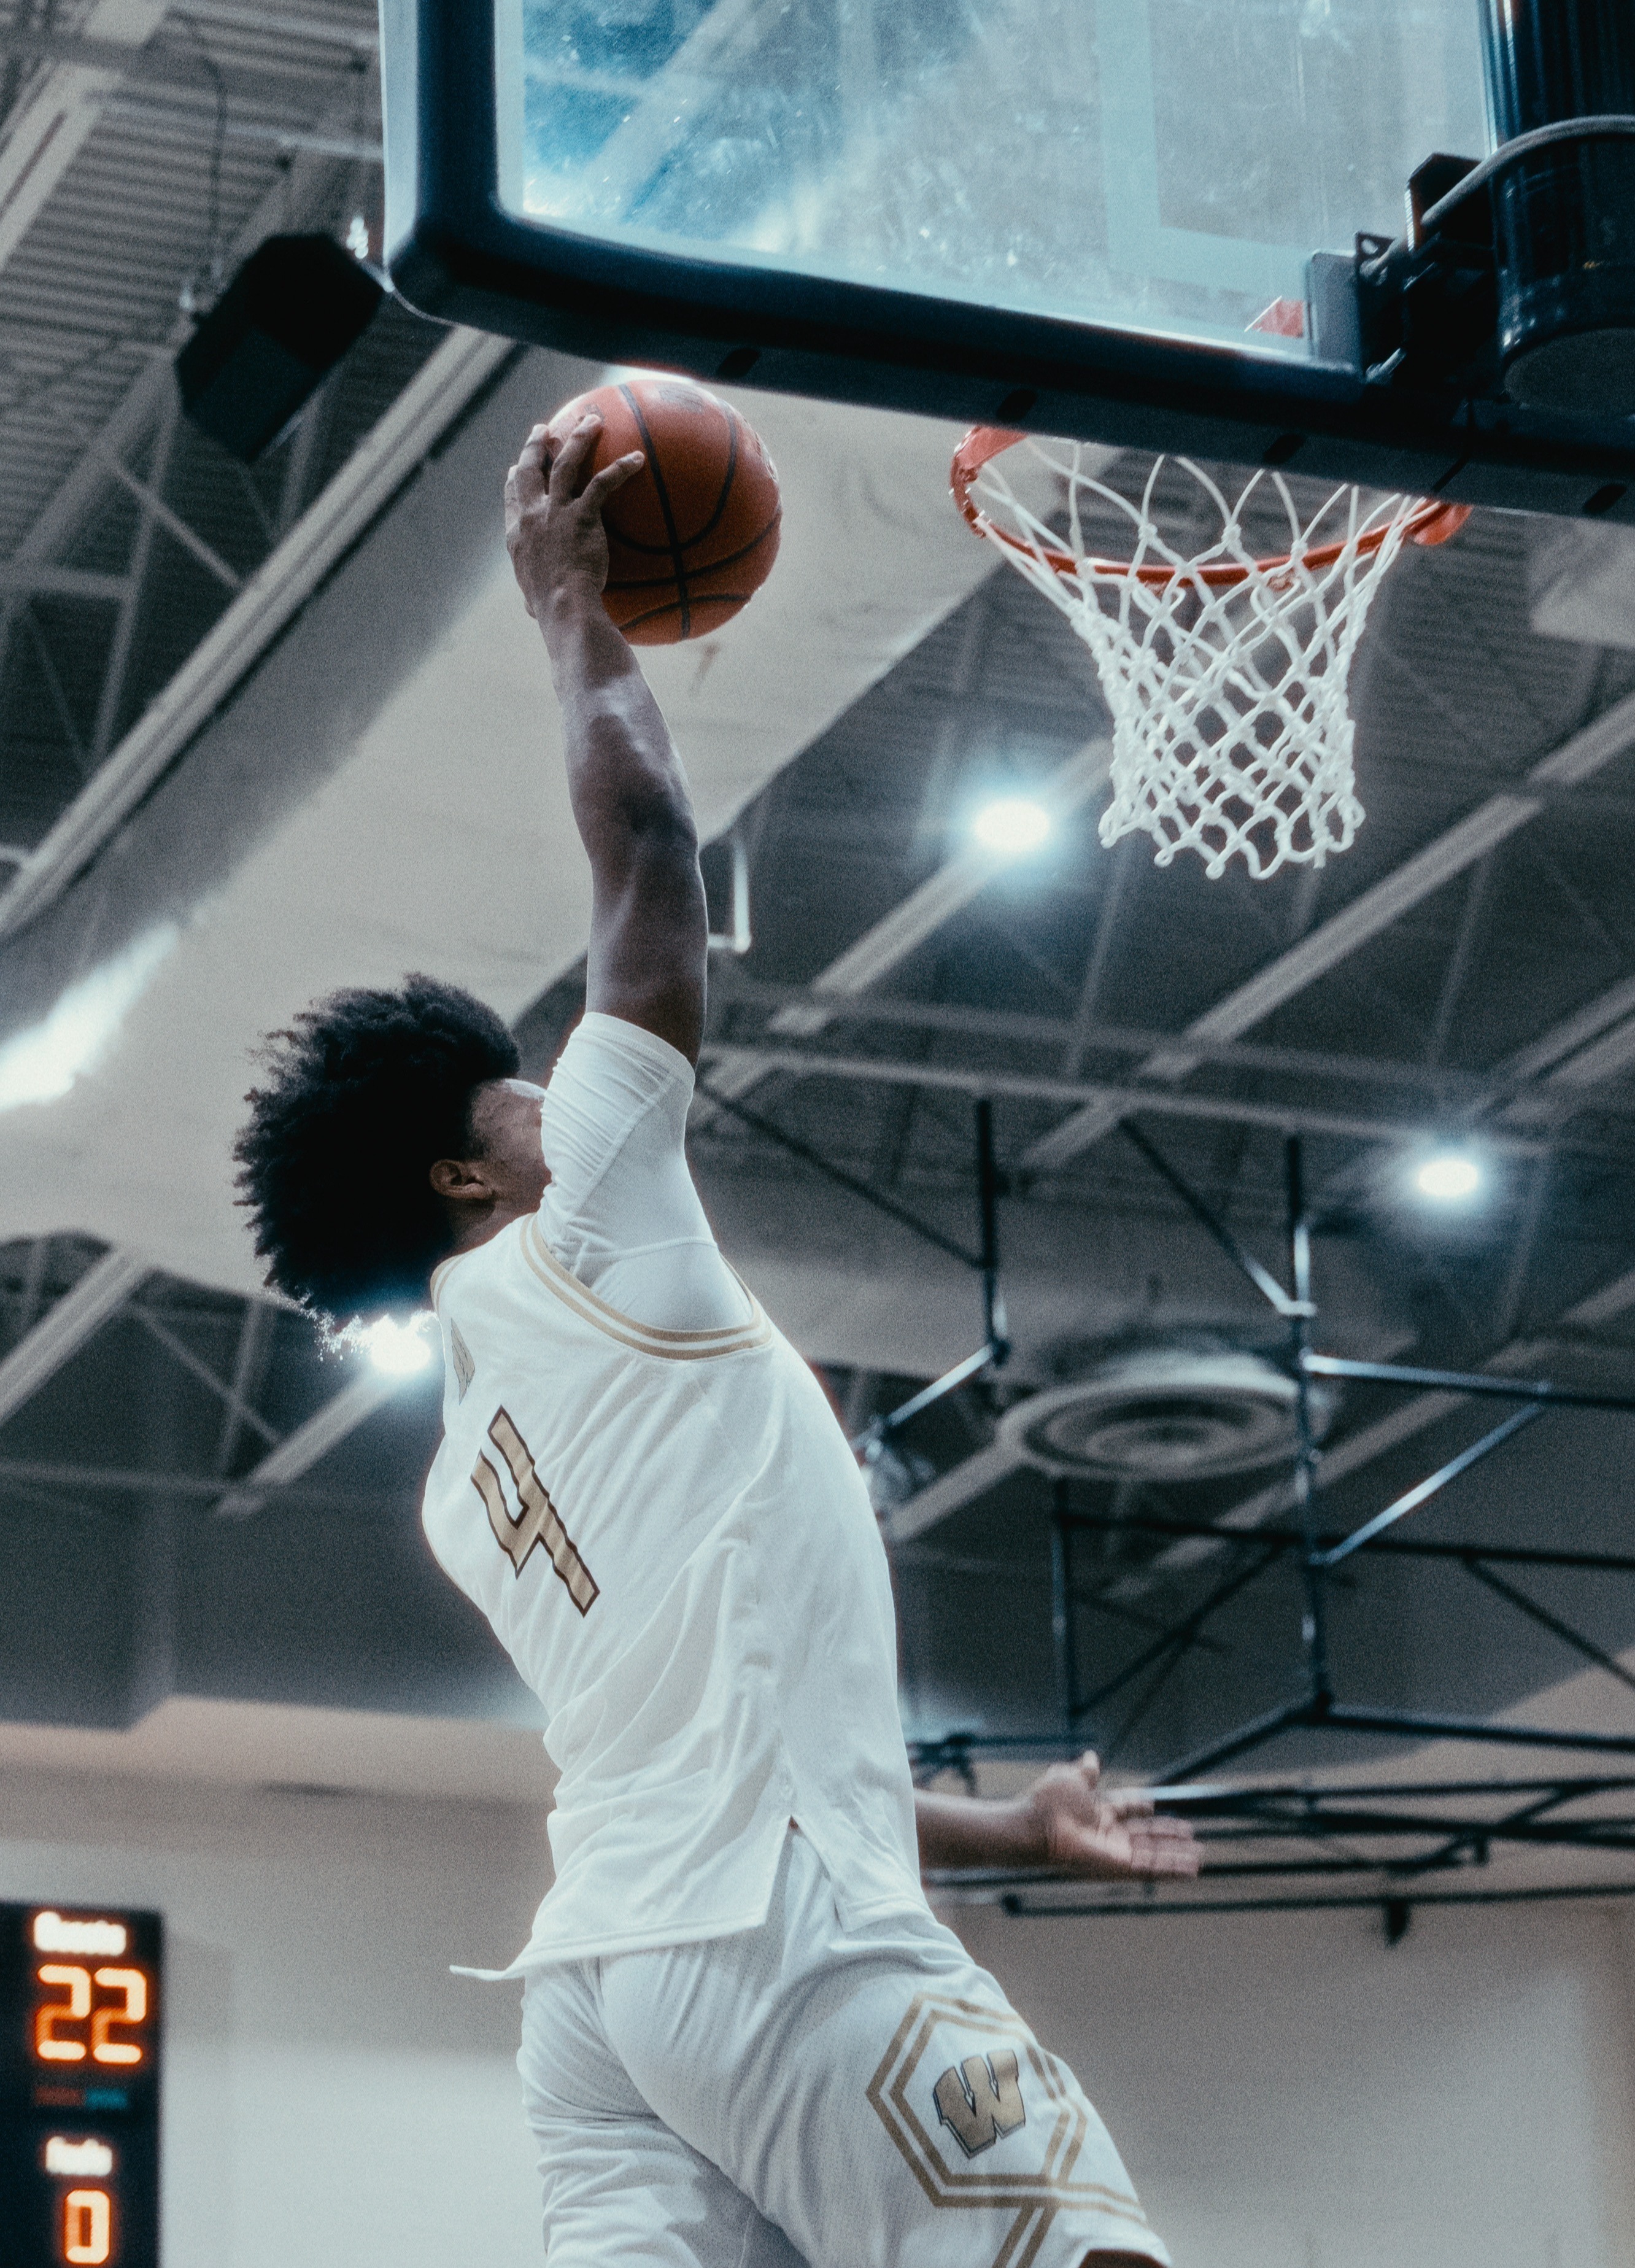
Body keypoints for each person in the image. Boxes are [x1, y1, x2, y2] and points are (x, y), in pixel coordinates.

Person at [233, 410, 1199, 2268]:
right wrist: (571, 612)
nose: (551, 1093)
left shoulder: (471, 1483)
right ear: (462, 1172)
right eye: (515, 1094)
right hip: (776, 1948)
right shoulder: (583, 1227)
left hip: (603, 2000)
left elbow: (744, 1738)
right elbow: (654, 859)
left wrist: (996, 1826)